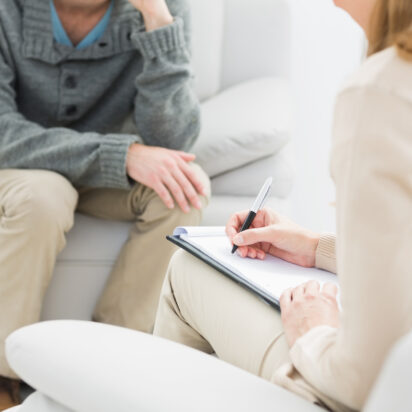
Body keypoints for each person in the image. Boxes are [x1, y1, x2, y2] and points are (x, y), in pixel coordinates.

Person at [154, 0, 412, 411]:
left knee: (188, 269)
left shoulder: (379, 92)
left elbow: (365, 379)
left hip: (361, 394)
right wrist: (316, 247)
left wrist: (313, 332)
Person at [0, 0, 209, 408]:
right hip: (18, 166)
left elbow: (174, 140)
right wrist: (121, 155)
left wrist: (158, 22)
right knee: (45, 196)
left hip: (103, 174)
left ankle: (109, 365)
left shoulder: (163, 7)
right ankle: (3, 376)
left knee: (185, 190)